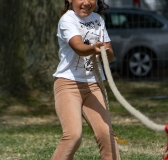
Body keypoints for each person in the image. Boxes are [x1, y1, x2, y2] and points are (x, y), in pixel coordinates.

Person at [51, 0, 121, 159]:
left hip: (94, 85)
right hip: (68, 85)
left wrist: (106, 50)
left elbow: (109, 57)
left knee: (106, 134)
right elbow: (78, 46)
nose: (87, 2)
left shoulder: (98, 19)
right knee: (73, 135)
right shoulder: (68, 19)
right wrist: (92, 48)